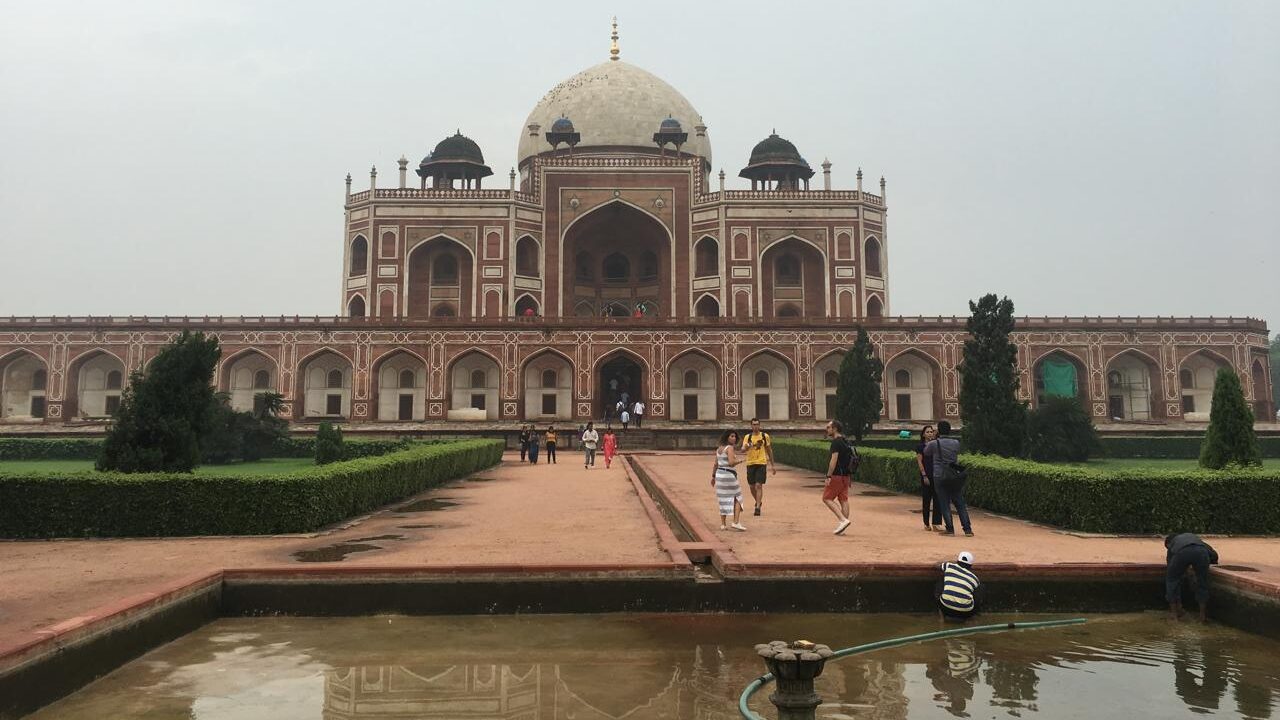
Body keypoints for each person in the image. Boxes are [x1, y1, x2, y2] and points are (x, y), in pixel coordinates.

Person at [925, 421, 972, 536]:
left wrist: (935, 438)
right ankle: (967, 529)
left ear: (938, 431)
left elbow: (926, 452)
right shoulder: (956, 443)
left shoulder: (934, 444)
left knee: (944, 503)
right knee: (959, 503)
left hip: (939, 476)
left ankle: (950, 529)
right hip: (954, 475)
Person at [1165, 533, 1219, 622]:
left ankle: (1174, 615)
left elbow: (1171, 570)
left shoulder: (1172, 545)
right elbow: (1214, 556)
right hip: (1201, 552)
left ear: (1168, 544)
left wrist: (1184, 571)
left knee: (1171, 580)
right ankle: (1202, 616)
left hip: (1182, 553)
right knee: (1202, 582)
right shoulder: (1194, 539)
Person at [823, 420, 856, 535]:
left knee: (826, 498)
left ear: (835, 428)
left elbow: (833, 460)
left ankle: (843, 520)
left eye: (828, 427)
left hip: (837, 475)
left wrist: (828, 475)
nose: (827, 429)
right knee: (843, 500)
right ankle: (843, 525)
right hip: (846, 476)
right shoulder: (846, 441)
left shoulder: (836, 442)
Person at [712, 430, 747, 531]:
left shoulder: (719, 449)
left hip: (719, 474)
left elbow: (715, 464)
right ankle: (736, 522)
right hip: (728, 475)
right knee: (738, 497)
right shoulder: (729, 448)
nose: (734, 438)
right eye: (732, 436)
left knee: (722, 498)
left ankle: (723, 524)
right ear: (727, 437)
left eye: (735, 436)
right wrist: (740, 461)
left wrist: (713, 476)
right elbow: (731, 463)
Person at [741, 417, 776, 516]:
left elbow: (769, 450)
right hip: (750, 463)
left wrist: (773, 465)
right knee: (752, 486)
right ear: (751, 425)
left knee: (758, 485)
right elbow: (742, 449)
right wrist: (748, 445)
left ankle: (757, 508)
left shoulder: (765, 436)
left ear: (759, 425)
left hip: (761, 462)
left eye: (757, 424)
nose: (755, 426)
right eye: (754, 424)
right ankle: (758, 501)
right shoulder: (747, 437)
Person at [935, 551, 982, 621]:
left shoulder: (949, 566)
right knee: (980, 588)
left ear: (957, 561)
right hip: (966, 613)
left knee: (942, 579)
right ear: (971, 565)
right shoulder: (974, 578)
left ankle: (942, 619)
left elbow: (938, 565)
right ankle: (973, 619)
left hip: (945, 608)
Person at [916, 425, 943, 531]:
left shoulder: (936, 445)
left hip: (936, 475)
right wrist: (924, 475)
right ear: (923, 434)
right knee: (927, 500)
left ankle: (936, 523)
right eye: (927, 432)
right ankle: (926, 523)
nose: (930, 433)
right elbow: (919, 461)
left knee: (938, 499)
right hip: (926, 475)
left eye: (931, 432)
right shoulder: (920, 446)